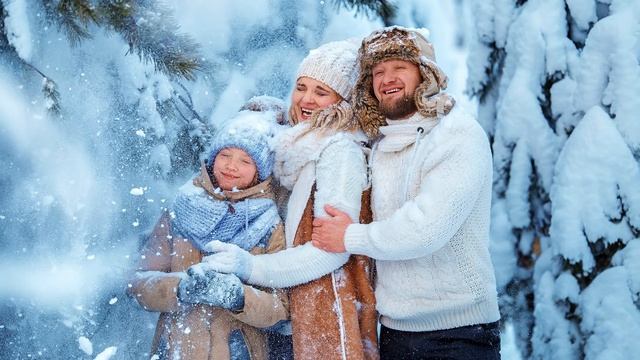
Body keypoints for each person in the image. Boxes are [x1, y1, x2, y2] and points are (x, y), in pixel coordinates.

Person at [311, 26, 502, 359]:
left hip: (458, 334)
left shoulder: (457, 134)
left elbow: (425, 229)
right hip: (397, 333)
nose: (387, 78)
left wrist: (348, 237)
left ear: (424, 73)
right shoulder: (382, 143)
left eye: (399, 67)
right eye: (378, 71)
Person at [202, 39, 378, 360]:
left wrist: (251, 266)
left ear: (345, 100)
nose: (306, 99)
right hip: (291, 314)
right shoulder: (302, 147)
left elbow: (331, 253)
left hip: (325, 311)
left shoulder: (340, 151)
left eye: (321, 92)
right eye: (301, 87)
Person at [128, 106, 290, 360]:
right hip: (175, 349)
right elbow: (138, 283)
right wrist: (180, 288)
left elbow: (281, 308)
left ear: (260, 170)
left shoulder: (268, 224)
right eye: (225, 154)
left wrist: (238, 297)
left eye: (245, 160)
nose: (231, 166)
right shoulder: (181, 207)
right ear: (213, 156)